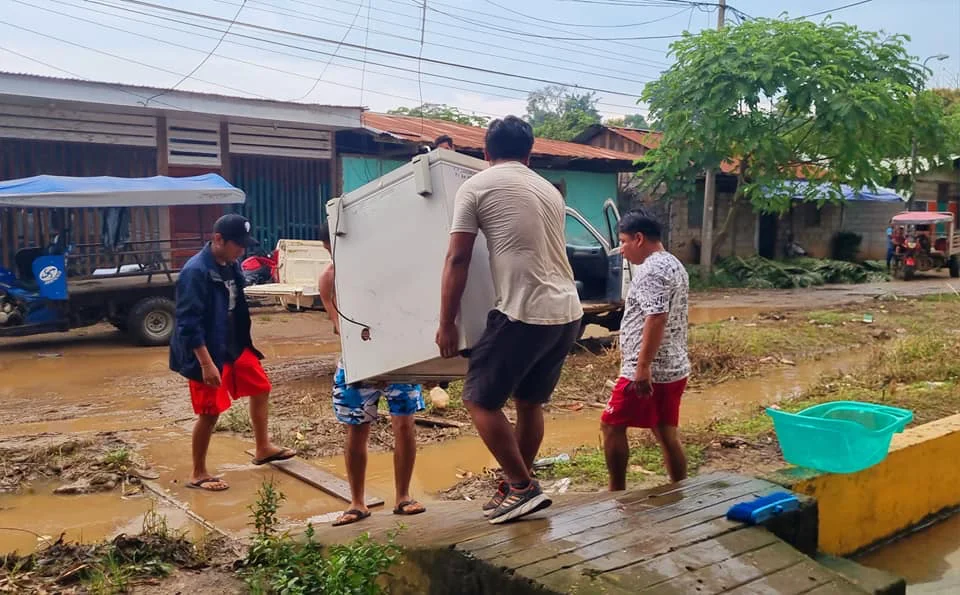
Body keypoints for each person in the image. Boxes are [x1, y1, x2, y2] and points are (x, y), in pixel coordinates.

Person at [436, 116, 582, 524]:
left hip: (524, 311)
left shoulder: (477, 185)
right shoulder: (548, 191)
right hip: (567, 312)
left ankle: (521, 487)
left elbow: (458, 257)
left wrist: (446, 321)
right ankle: (515, 484)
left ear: (485, 153)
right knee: (530, 401)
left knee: (478, 399)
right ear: (529, 154)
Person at [169, 214, 295, 492]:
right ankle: (198, 473)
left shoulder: (231, 264)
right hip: (205, 350)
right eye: (237, 245)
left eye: (243, 245)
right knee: (210, 411)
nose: (242, 250)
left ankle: (263, 447)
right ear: (218, 239)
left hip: (233, 344)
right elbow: (188, 324)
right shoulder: (195, 272)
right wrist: (206, 363)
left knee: (261, 387)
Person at [317, 223, 427, 527]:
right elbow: (341, 328)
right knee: (356, 429)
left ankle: (403, 496)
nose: (333, 253)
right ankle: (357, 503)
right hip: (358, 362)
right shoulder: (329, 279)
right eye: (328, 248)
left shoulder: (385, 270)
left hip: (398, 359)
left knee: (404, 426)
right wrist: (369, 358)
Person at [601, 210, 690, 491]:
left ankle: (616, 492)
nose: (622, 251)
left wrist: (642, 367)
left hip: (649, 370)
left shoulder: (652, 270)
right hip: (674, 366)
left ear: (639, 239)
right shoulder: (673, 264)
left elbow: (657, 316)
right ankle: (680, 488)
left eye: (624, 242)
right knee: (666, 433)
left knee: (611, 425)